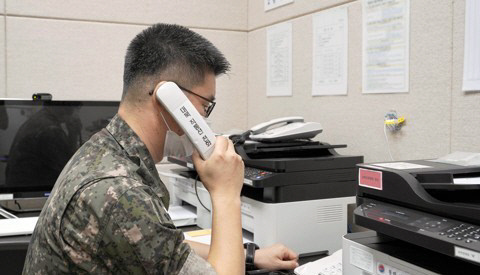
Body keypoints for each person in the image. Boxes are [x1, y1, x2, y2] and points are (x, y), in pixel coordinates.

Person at [23, 23, 299, 274]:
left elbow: (166, 249)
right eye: (205, 105)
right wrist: (227, 194)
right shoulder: (120, 191)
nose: (204, 120)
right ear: (169, 98)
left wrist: (252, 255)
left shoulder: (105, 148)